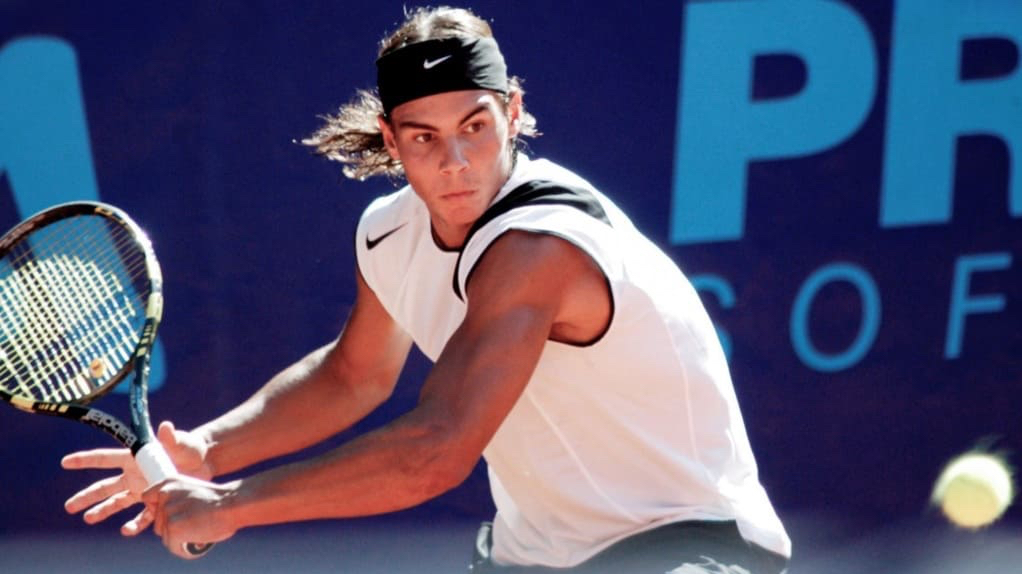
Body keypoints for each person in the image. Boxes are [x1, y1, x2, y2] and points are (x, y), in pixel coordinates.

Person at [61, 6, 791, 573]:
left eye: (475, 126)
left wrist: (228, 506)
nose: (456, 161)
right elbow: (353, 376)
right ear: (390, 137)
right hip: (533, 557)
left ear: (512, 111)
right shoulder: (389, 233)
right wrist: (208, 449)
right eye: (424, 138)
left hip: (688, 544)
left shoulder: (541, 247)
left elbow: (434, 451)